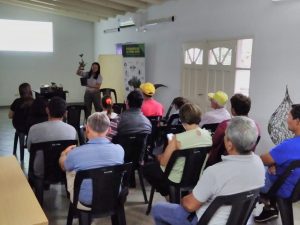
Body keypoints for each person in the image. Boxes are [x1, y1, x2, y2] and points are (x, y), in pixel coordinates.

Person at [152, 116, 265, 225]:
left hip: (205, 221)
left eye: (225, 136)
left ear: (229, 145)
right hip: (242, 221)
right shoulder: (259, 164)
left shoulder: (215, 172)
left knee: (158, 208)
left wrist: (184, 199)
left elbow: (190, 206)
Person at [143, 103, 212, 197]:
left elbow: (163, 163)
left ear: (181, 119)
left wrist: (159, 157)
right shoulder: (208, 135)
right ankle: (178, 195)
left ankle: (169, 195)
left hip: (176, 178)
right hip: (197, 176)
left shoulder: (177, 139)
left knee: (147, 169)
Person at [59, 112, 124, 206]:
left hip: (86, 201)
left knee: (70, 169)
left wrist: (63, 154)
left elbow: (63, 166)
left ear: (87, 129)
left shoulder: (76, 153)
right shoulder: (119, 150)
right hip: (114, 196)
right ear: (109, 130)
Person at [254, 104, 300, 223]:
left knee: (251, 170)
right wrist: (274, 163)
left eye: (289, 116)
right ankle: (270, 208)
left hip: (282, 187)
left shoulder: (289, 145)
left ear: (298, 122)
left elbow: (263, 159)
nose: (286, 119)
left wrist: (271, 163)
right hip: (296, 188)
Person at [27, 97, 77, 178]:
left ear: (47, 110)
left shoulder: (33, 129)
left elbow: (30, 149)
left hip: (40, 171)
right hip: (63, 169)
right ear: (65, 113)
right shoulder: (72, 130)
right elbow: (73, 151)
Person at [207, 93, 260, 166]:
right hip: (247, 162)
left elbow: (213, 142)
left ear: (233, 110)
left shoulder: (225, 125)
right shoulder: (256, 126)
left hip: (222, 163)